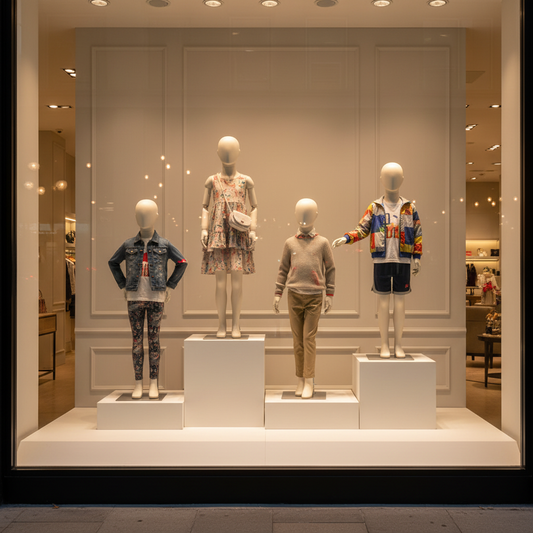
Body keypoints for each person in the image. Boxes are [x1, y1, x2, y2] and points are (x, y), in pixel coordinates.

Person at [332, 162, 422, 358]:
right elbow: (363, 229)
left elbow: (417, 232)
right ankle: (384, 344)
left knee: (400, 303)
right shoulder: (375, 207)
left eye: (396, 177)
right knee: (383, 303)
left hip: (403, 259)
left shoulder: (409, 207)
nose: (392, 181)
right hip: (381, 260)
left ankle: (399, 345)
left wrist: (417, 256)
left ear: (402, 180)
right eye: (388, 177)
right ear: (381, 180)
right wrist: (347, 238)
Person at [109, 199, 187, 399]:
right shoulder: (128, 244)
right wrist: (122, 285)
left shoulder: (164, 244)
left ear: (156, 217)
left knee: (154, 341)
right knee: (137, 342)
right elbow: (113, 262)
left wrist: (170, 285)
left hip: (156, 297)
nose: (144, 219)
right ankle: (138, 384)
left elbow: (182, 262)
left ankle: (153, 383)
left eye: (149, 214)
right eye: (141, 215)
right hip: (134, 297)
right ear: (136, 217)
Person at [273, 199, 335, 399]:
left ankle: (309, 380)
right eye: (300, 213)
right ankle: (300, 378)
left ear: (316, 215)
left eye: (308, 213)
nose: (304, 218)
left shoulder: (323, 243)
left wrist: (330, 294)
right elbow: (283, 269)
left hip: (314, 296)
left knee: (308, 339)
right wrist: (278, 293)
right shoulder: (289, 243)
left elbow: (330, 269)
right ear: (295, 215)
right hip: (294, 295)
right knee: (297, 340)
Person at [200, 136, 258, 338]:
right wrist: (204, 229)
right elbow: (205, 206)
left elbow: (254, 206)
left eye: (231, 150)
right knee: (220, 282)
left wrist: (253, 230)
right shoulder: (212, 181)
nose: (227, 154)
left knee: (237, 282)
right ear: (217, 153)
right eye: (223, 150)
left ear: (239, 153)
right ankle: (221, 324)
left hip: (239, 234)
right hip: (218, 233)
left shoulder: (246, 181)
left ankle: (236, 325)